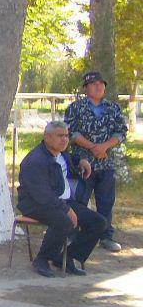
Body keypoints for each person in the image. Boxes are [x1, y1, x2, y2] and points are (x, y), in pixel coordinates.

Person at [17, 120, 105, 277]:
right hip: (35, 203)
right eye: (60, 136)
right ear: (47, 137)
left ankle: (66, 257)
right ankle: (42, 259)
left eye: (66, 136)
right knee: (64, 221)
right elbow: (43, 195)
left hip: (61, 202)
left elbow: (70, 159)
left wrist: (81, 161)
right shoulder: (35, 161)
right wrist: (66, 209)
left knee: (98, 222)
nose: (64, 139)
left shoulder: (61, 153)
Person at [64, 70, 127, 252]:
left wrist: (104, 147)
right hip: (83, 163)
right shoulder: (76, 108)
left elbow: (121, 132)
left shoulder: (113, 108)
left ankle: (106, 236)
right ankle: (73, 234)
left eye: (101, 83)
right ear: (86, 88)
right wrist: (92, 147)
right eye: (93, 83)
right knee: (79, 200)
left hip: (106, 162)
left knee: (106, 202)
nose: (98, 86)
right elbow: (71, 132)